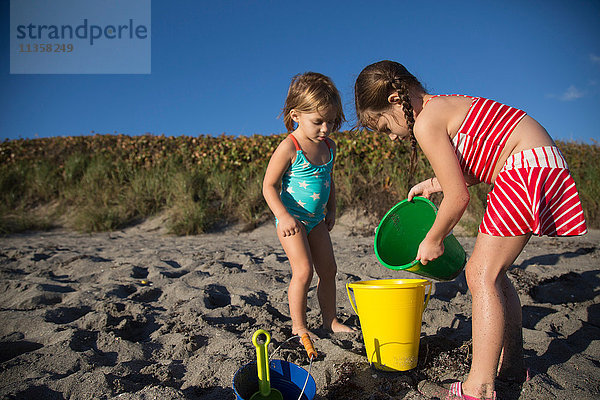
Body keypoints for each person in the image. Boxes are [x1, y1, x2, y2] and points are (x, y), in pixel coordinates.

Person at [354, 60, 587, 400]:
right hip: (537, 161)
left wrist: (433, 238)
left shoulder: (425, 123)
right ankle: (510, 366)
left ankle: (479, 386)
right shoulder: (445, 104)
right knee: (494, 273)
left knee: (480, 273)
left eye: (384, 126)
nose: (390, 136)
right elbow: (485, 161)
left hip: (524, 167)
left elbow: (459, 198)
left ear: (393, 100)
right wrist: (435, 183)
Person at [263, 72, 355, 339]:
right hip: (292, 221)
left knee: (329, 270)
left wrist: (333, 209)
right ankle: (299, 326)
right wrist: (283, 216)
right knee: (303, 270)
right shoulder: (290, 146)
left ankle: (330, 321)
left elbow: (329, 181)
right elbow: (268, 186)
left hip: (317, 220)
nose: (325, 129)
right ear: (296, 116)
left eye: (331, 122)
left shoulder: (329, 146)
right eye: (318, 122)